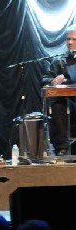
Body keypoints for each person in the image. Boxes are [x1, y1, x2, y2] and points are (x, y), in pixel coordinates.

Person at [42, 24, 76, 156]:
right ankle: (62, 147)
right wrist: (52, 81)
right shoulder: (59, 61)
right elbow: (44, 79)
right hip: (69, 103)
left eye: (73, 39)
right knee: (57, 105)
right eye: (68, 39)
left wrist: (68, 76)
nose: (70, 42)